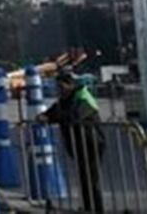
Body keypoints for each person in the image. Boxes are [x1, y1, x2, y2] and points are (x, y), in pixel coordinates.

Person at [39, 71, 104, 212]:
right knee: (84, 179)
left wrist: (51, 118)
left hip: (91, 143)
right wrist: (44, 116)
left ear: (70, 85)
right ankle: (88, 208)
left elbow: (75, 116)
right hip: (79, 145)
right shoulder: (65, 100)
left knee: (91, 181)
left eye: (61, 87)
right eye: (57, 88)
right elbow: (53, 112)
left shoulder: (83, 97)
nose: (59, 91)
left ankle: (97, 209)